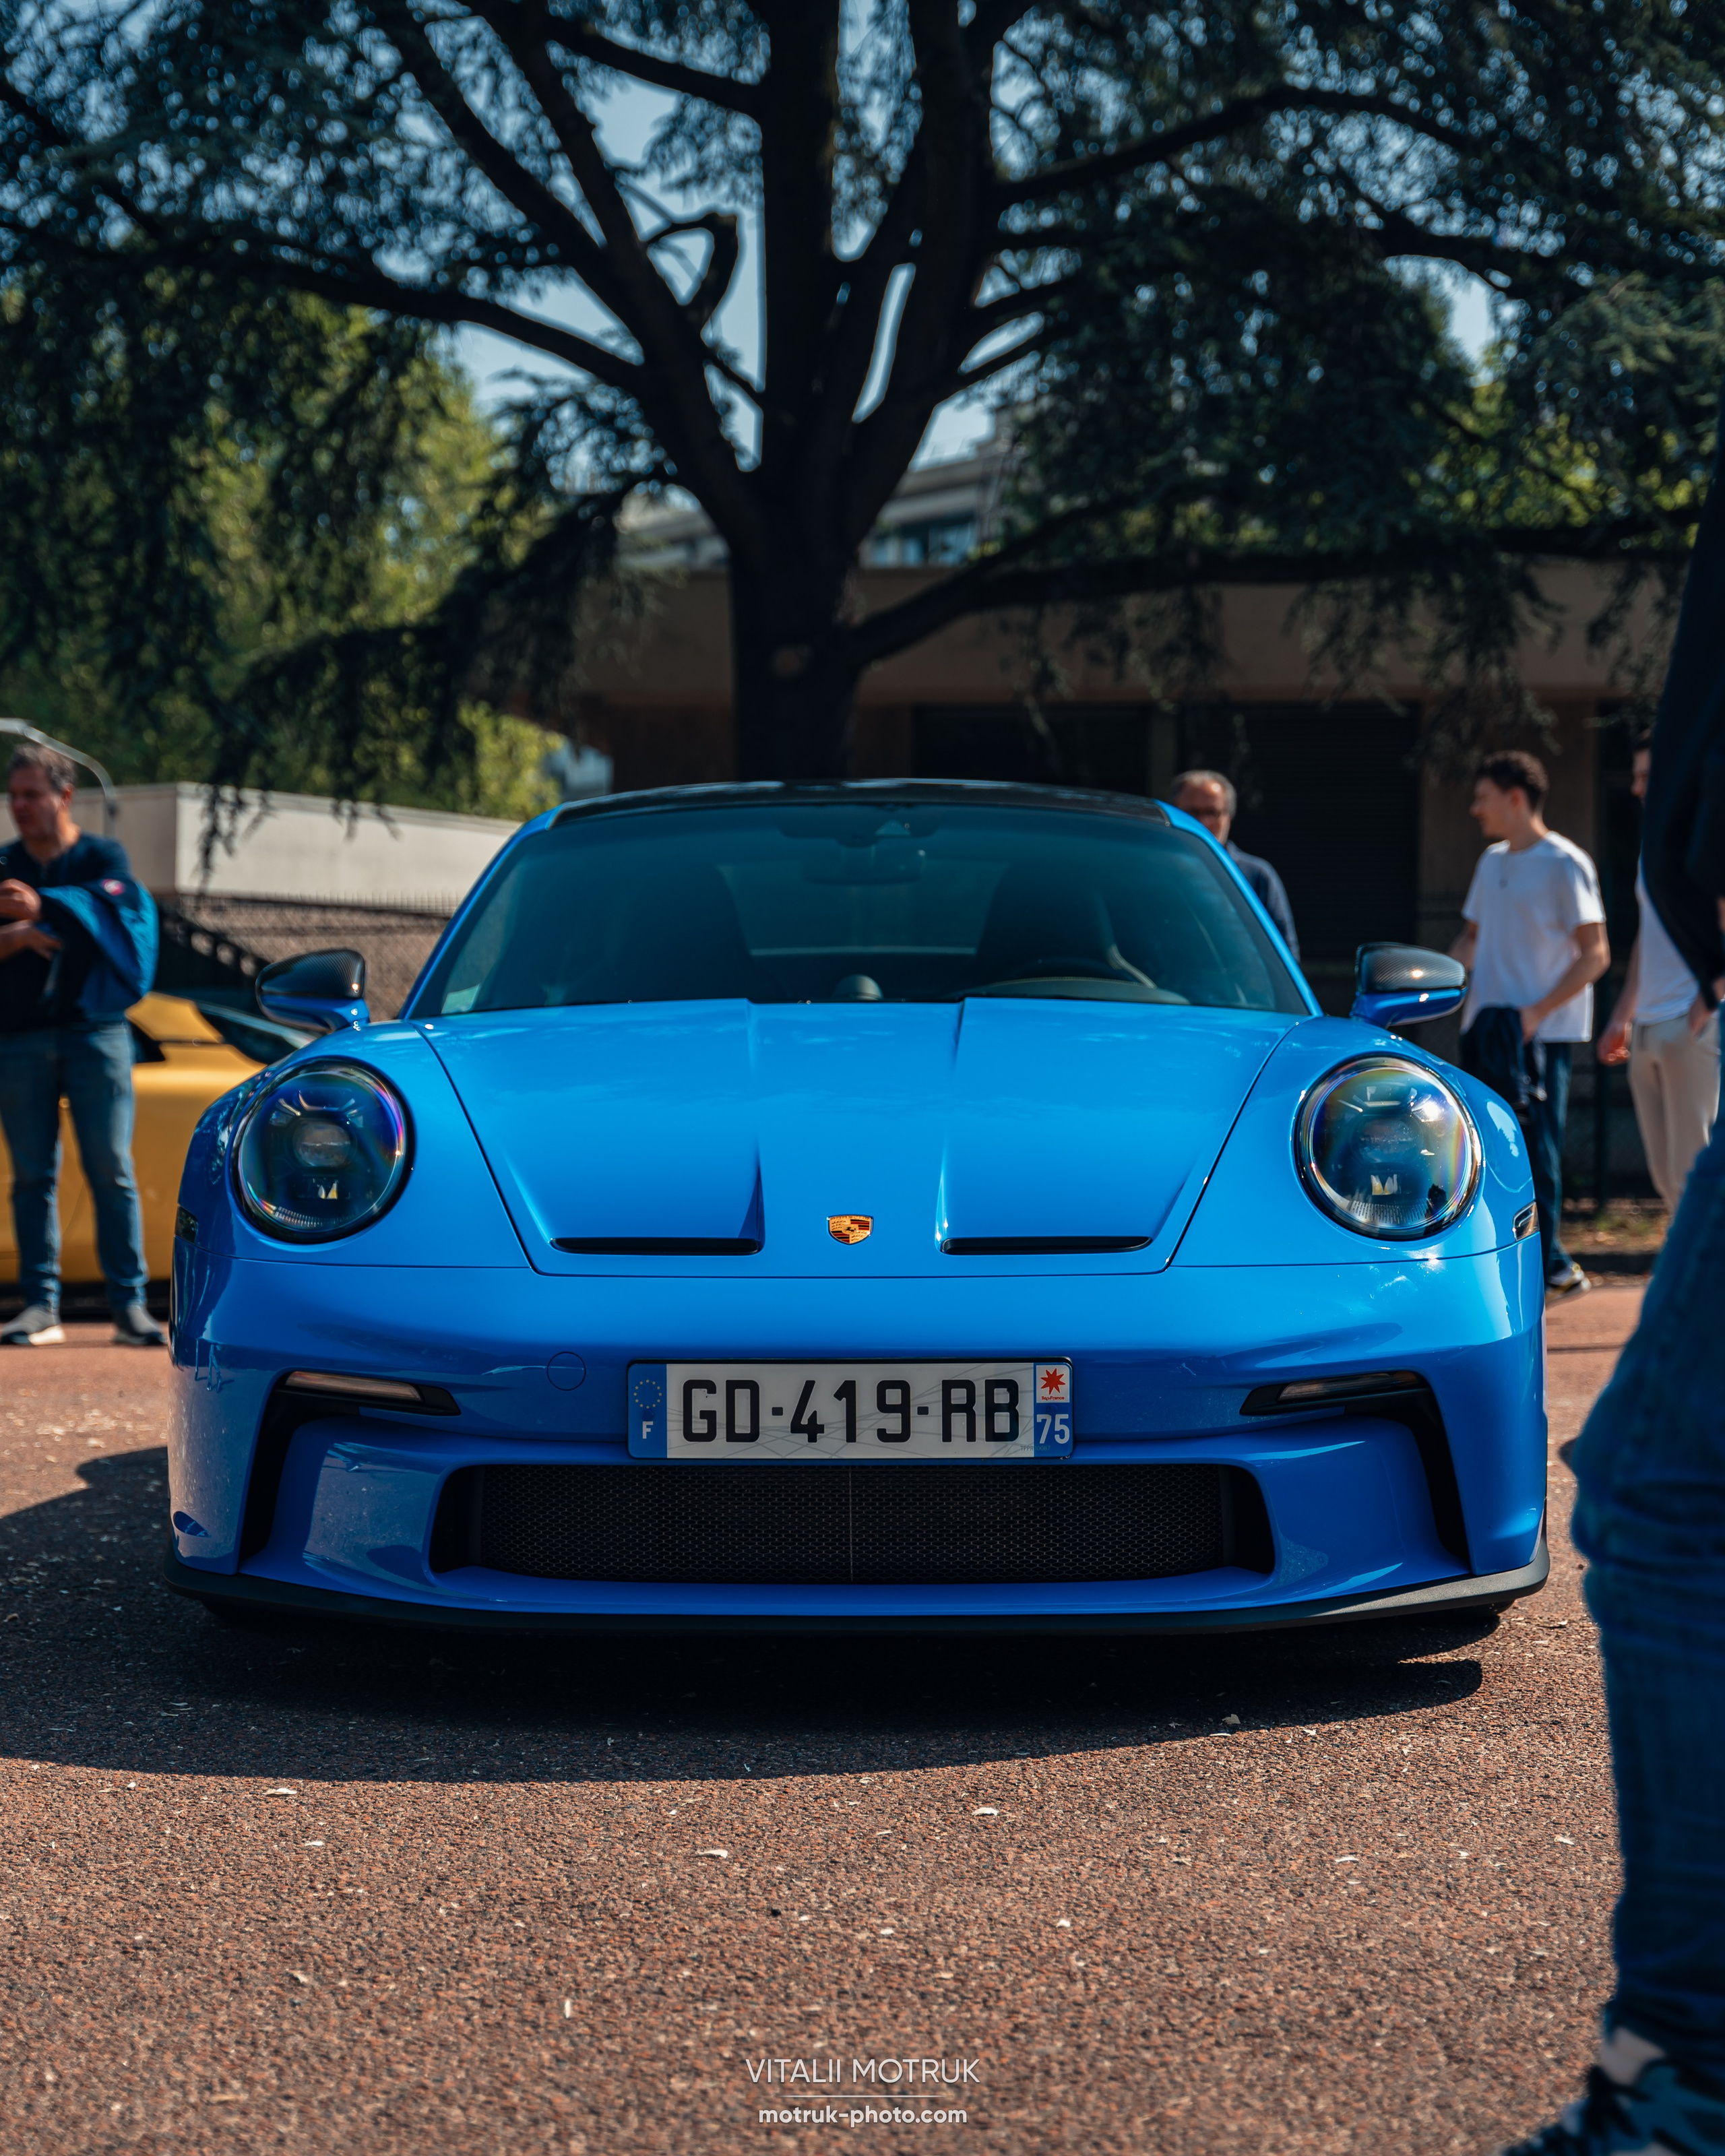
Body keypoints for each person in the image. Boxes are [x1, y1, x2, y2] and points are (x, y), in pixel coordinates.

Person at [1495, 432, 1725, 2154]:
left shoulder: (1558, 862)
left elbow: (1584, 942)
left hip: (1650, 1013)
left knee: (1662, 1496)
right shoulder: (1497, 867)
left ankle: (1687, 2074)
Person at [0, 742, 164, 1347]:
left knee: (111, 1170)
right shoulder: (4, 862)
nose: (19, 806)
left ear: (64, 796)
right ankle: (39, 1308)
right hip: (17, 1039)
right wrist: (15, 938)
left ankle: (130, 1308)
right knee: (31, 1178)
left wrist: (44, 907)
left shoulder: (102, 857)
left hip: (97, 1034)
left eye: (32, 794)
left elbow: (119, 919)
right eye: (13, 796)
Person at [1450, 751, 1608, 1298]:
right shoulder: (1491, 862)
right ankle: (1531, 1263)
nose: (1475, 809)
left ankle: (1547, 1267)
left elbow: (1596, 954)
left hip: (1539, 1039)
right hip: (1486, 1032)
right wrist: (1432, 985)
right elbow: (1472, 940)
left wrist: (1534, 1015)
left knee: (1535, 1151)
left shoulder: (1566, 863)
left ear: (1515, 799)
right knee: (1485, 1152)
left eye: (1484, 798)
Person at [1596, 731, 1720, 1211]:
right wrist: (1621, 1016)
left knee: (1695, 1175)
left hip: (1691, 1022)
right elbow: (1651, 939)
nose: (1636, 787)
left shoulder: (1705, 841)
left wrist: (1709, 999)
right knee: (1667, 1179)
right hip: (1648, 1026)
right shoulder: (1654, 846)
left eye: (1646, 776)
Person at [1170, 769, 1300, 958]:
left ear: (1229, 816)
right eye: (1192, 812)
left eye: (1212, 812)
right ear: (1173, 812)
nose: (1203, 822)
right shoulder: (1153, 871)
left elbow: (1285, 954)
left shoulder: (1256, 875)